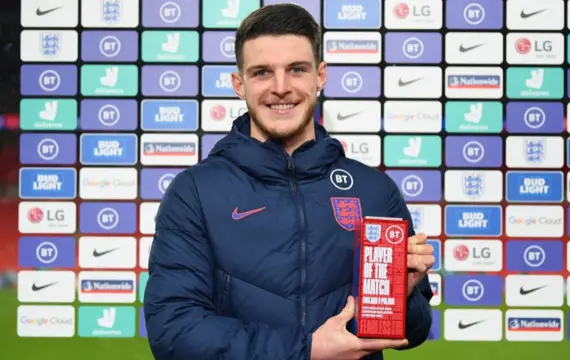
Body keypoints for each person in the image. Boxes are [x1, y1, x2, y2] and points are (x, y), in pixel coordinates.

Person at [143, 4, 435, 360]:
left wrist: (400, 296)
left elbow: (416, 330)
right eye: (262, 72)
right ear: (240, 84)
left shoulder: (374, 190)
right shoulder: (195, 192)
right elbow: (175, 331)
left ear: (320, 76)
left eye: (297, 70)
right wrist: (306, 351)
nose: (281, 88)